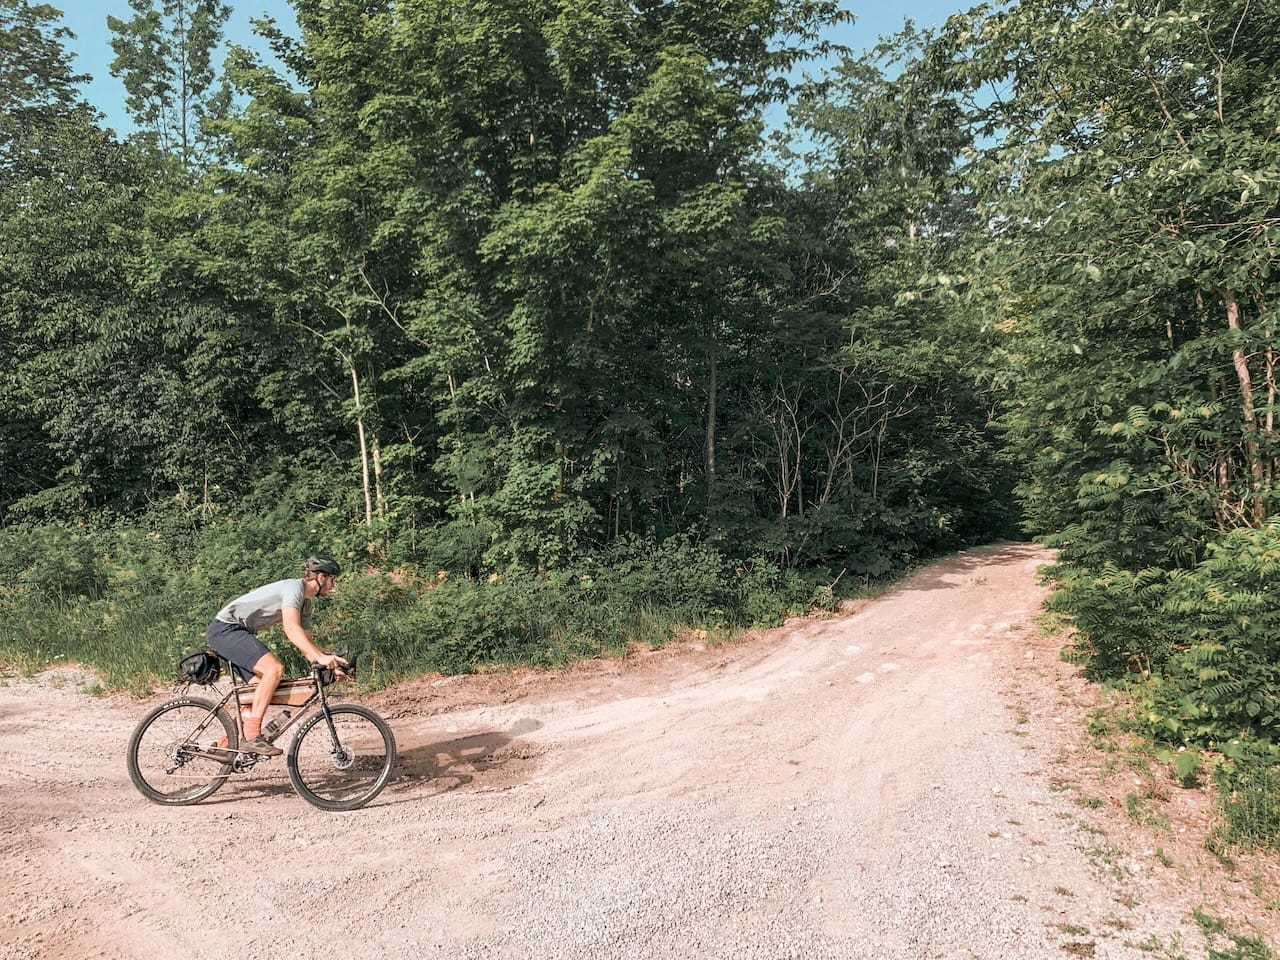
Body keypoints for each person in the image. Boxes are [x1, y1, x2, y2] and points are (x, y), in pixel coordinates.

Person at [205, 554, 348, 756]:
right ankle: (253, 737)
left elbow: (305, 644)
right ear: (322, 577)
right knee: (274, 669)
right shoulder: (294, 588)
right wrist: (322, 657)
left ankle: (227, 744)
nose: (334, 586)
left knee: (259, 688)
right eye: (333, 579)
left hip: (236, 632)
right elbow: (291, 629)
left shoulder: (305, 603)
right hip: (226, 629)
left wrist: (326, 665)